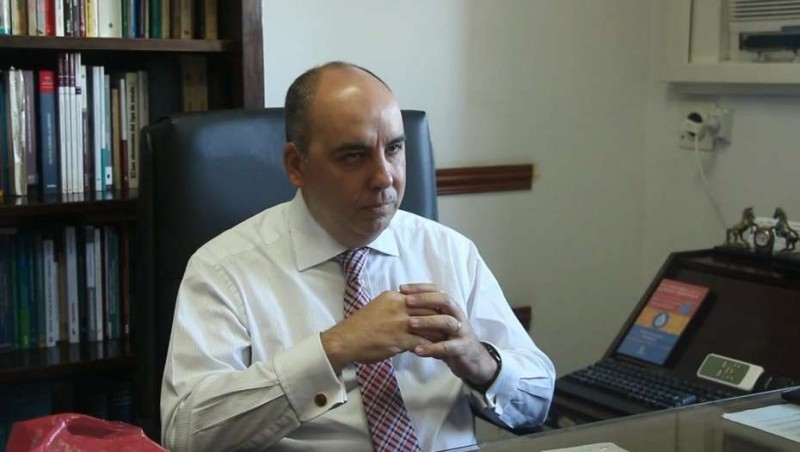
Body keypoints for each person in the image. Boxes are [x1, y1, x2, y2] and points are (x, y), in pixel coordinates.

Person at [160, 61, 555, 451]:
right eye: (353, 156)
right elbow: (186, 433)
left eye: (394, 149)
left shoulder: (448, 250)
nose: (385, 177)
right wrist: (333, 349)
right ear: (296, 165)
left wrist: (479, 361)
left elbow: (537, 403)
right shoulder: (224, 269)